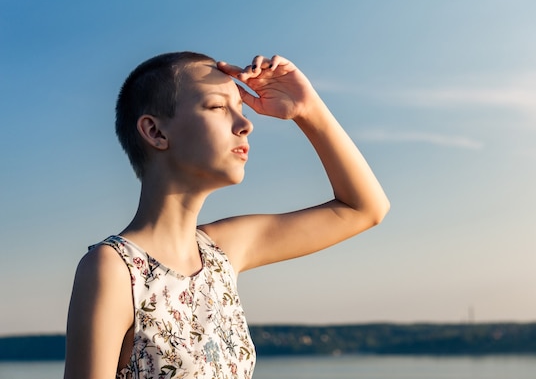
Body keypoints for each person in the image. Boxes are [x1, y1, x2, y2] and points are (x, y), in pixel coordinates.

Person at [64, 52, 390, 379]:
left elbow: (365, 208)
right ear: (155, 132)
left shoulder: (222, 252)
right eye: (219, 107)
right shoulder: (114, 270)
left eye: (242, 109)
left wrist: (308, 109)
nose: (245, 124)